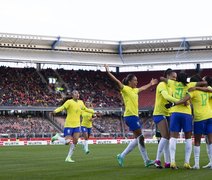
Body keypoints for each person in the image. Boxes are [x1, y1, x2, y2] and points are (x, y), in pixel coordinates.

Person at [104, 64, 158, 167]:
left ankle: (122, 155)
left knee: (138, 138)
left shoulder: (135, 90)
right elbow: (117, 82)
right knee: (141, 138)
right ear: (129, 82)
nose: (137, 82)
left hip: (134, 116)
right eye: (135, 80)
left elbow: (142, 88)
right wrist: (108, 72)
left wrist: (150, 83)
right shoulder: (125, 89)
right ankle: (146, 160)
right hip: (130, 116)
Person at [163, 72, 207, 169]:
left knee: (173, 138)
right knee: (188, 138)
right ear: (187, 79)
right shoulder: (190, 85)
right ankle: (186, 162)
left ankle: (173, 162)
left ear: (177, 78)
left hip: (175, 113)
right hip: (186, 114)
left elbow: (162, 78)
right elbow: (203, 83)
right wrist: (197, 86)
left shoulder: (173, 83)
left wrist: (168, 80)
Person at [174, 75, 212, 169]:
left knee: (197, 141)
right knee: (210, 141)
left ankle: (197, 164)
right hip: (210, 116)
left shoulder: (193, 91)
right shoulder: (207, 90)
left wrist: (174, 103)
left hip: (200, 118)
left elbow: (184, 100)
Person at [51, 90, 95, 163]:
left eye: (78, 93)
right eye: (75, 93)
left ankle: (68, 158)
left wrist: (94, 112)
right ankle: (57, 137)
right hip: (69, 125)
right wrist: (55, 111)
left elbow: (86, 109)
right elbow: (62, 107)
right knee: (67, 142)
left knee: (75, 141)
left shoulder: (81, 102)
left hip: (77, 125)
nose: (77, 94)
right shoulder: (69, 102)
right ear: (72, 95)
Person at [153, 69, 179, 168]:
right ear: (168, 76)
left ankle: (167, 162)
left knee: (168, 138)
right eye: (173, 77)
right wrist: (179, 101)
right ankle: (157, 160)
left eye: (176, 77)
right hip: (159, 113)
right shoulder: (161, 85)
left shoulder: (172, 86)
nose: (175, 79)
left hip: (168, 113)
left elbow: (170, 100)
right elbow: (166, 96)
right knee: (165, 136)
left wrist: (173, 103)